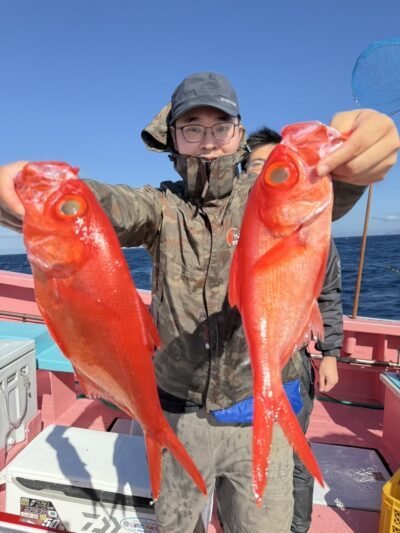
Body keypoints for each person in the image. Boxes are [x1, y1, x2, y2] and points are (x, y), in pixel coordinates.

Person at [0, 72, 398, 533]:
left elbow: (307, 198)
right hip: (178, 410)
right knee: (177, 524)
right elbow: (100, 207)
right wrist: (36, 194)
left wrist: (353, 165)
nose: (208, 141)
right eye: (192, 128)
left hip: (258, 408)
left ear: (238, 134)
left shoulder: (262, 195)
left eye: (220, 127)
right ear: (173, 138)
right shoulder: (159, 207)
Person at [243, 127, 343, 533]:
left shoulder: (312, 227)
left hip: (294, 362)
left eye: (273, 166)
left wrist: (330, 354)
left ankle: (296, 527)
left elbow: (328, 293)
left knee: (295, 455)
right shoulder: (229, 223)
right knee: (244, 452)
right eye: (255, 165)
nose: (265, 171)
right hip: (241, 363)